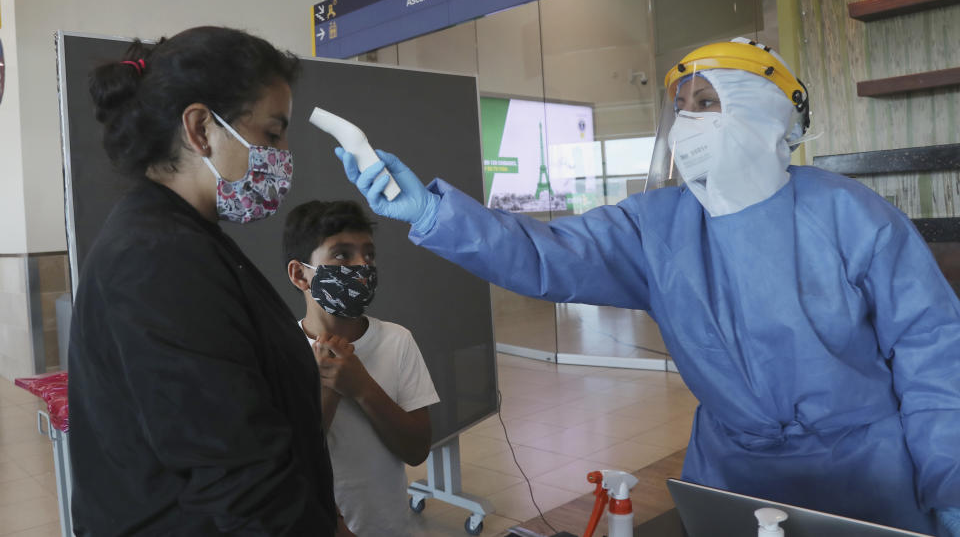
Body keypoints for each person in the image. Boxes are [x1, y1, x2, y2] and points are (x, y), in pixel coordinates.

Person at [334, 38, 960, 536]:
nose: (687, 120)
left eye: (706, 102)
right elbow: (541, 255)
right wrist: (432, 214)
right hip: (732, 473)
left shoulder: (851, 216)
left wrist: (951, 485)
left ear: (764, 112)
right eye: (681, 105)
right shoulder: (657, 224)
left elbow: (936, 357)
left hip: (864, 476)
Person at [69, 26, 347, 535]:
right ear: (200, 129)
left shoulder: (181, 236)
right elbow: (239, 479)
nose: (283, 155)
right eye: (271, 133)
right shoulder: (156, 259)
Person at [283, 200, 439, 537]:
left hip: (388, 526)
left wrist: (362, 388)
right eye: (341, 255)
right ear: (300, 275)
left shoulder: (397, 341)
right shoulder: (282, 352)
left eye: (368, 255)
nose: (361, 266)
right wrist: (326, 390)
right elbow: (291, 462)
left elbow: (416, 450)